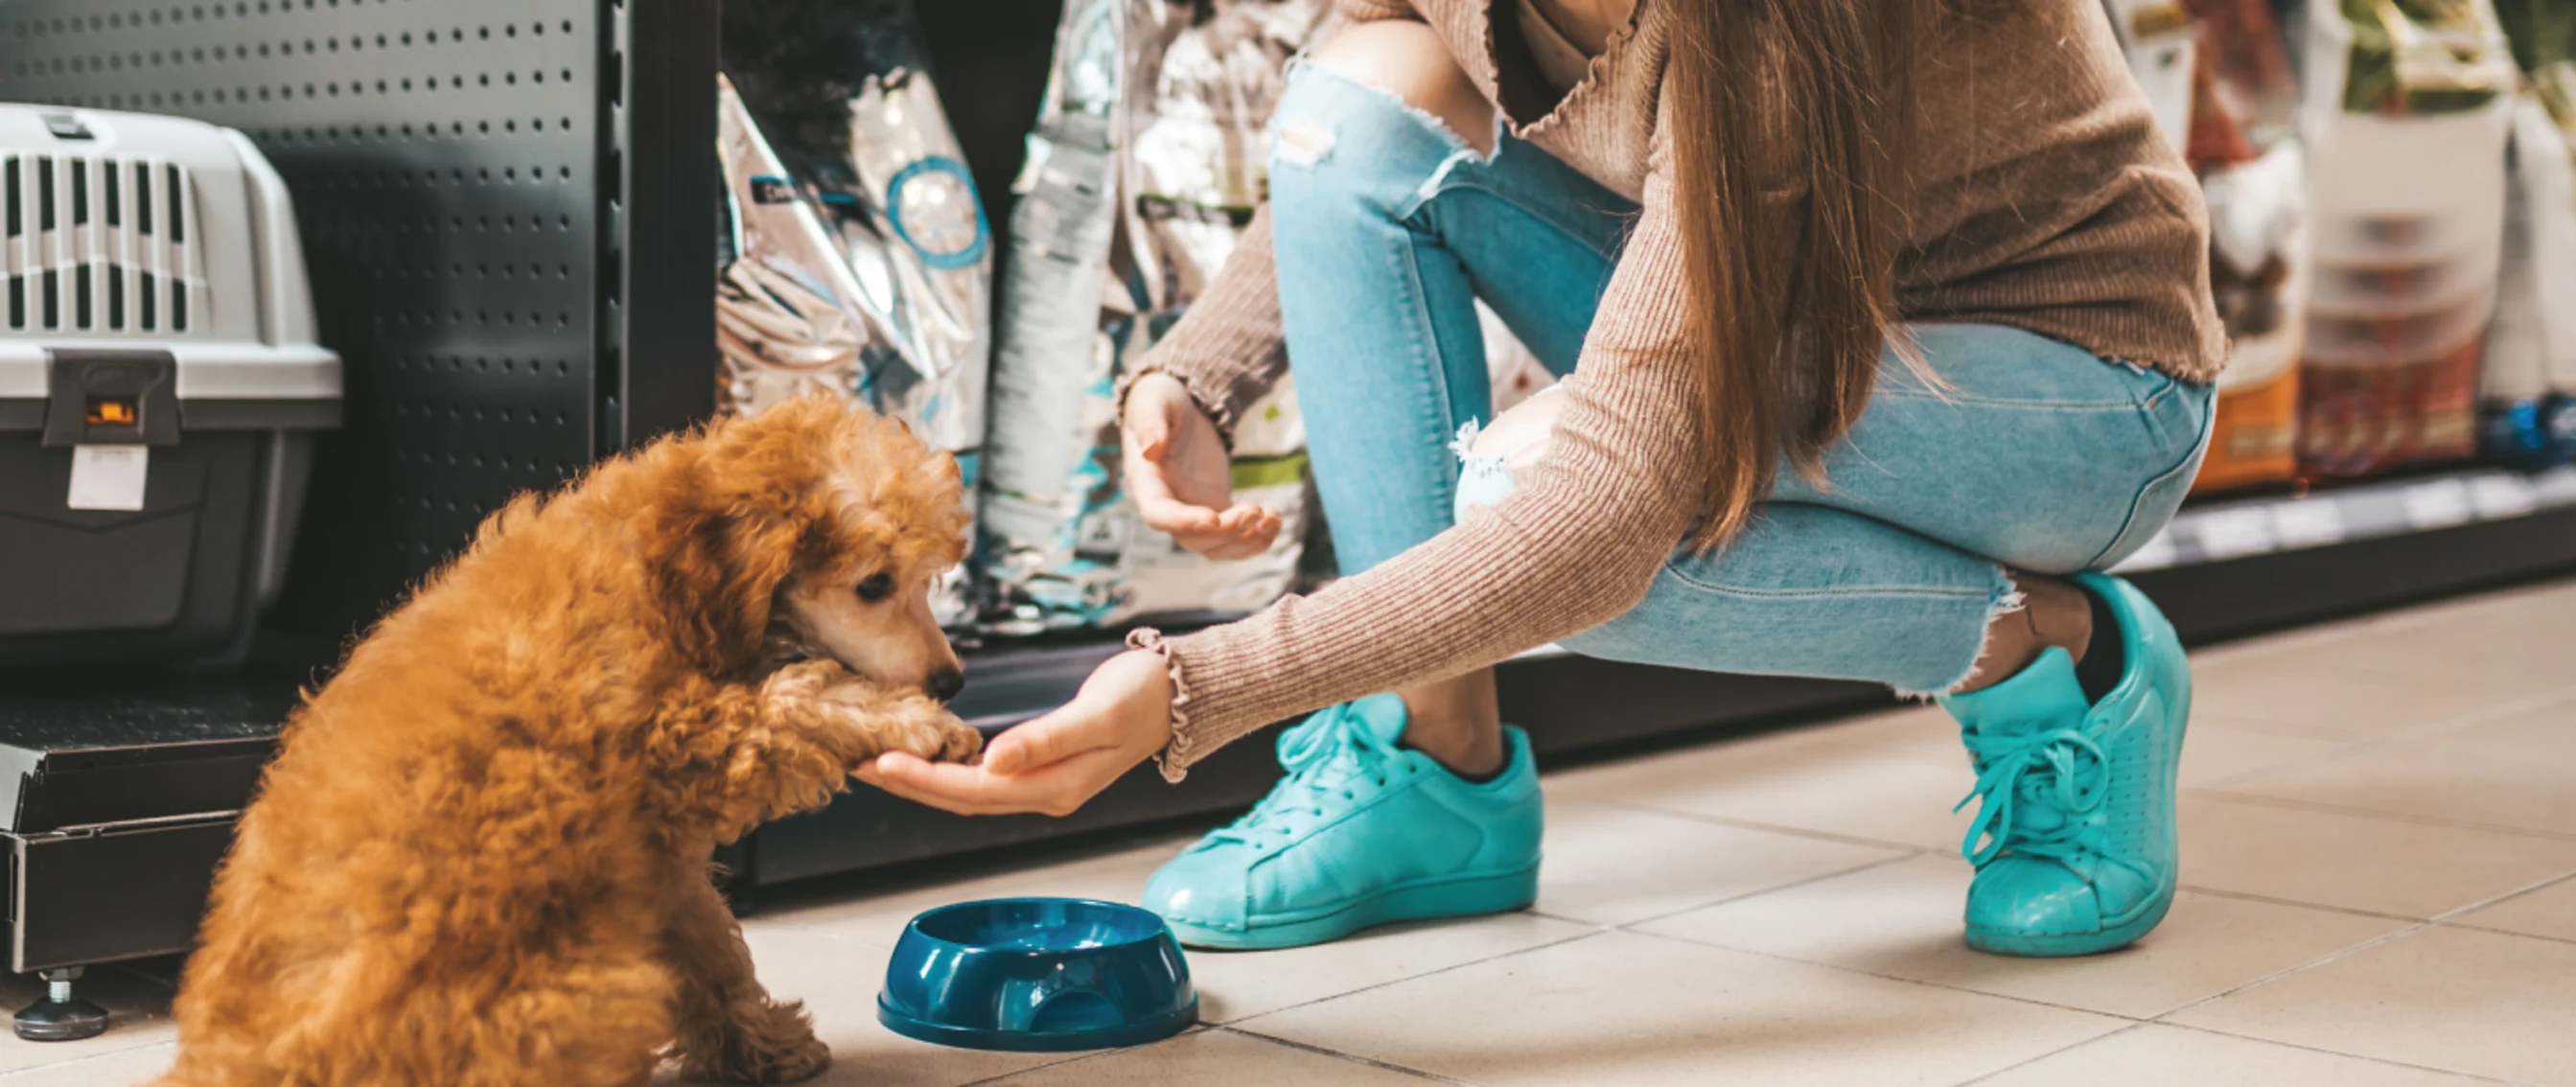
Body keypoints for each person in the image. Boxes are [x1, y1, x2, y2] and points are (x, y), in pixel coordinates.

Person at [859, 0, 2220, 959]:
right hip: (1785, 317)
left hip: (2071, 390)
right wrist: (1197, 370)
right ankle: (1428, 767)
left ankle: (2063, 659)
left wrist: (1198, 685)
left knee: (1537, 507)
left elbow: (1593, 528)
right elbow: (1400, 55)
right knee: (1359, 92)